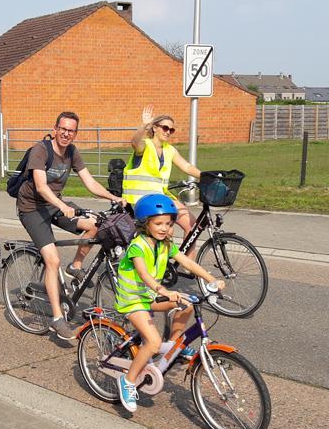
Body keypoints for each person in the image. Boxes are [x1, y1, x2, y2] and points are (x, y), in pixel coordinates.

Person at [16, 111, 124, 340]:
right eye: (63, 129)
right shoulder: (41, 150)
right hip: (32, 208)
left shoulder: (72, 152)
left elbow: (89, 182)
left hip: (55, 204)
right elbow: (41, 186)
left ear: (76, 133)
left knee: (96, 224)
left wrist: (112, 198)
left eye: (71, 130)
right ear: (55, 129)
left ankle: (75, 265)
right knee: (52, 259)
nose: (66, 134)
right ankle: (57, 318)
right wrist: (62, 206)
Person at [114, 194, 224, 413]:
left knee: (188, 304)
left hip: (150, 296)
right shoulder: (138, 246)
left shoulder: (166, 245)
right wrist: (163, 290)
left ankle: (175, 347)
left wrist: (211, 279)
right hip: (133, 299)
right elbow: (144, 275)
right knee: (153, 342)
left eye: (168, 223)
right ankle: (127, 382)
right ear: (145, 224)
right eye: (158, 223)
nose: (164, 228)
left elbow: (187, 263)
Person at [124, 105, 202, 255]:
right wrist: (143, 125)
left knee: (192, 225)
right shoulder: (145, 145)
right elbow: (134, 143)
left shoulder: (169, 150)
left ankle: (189, 267)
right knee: (167, 231)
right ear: (154, 128)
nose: (168, 132)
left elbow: (186, 166)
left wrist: (206, 176)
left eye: (171, 130)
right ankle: (159, 267)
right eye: (165, 128)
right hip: (140, 200)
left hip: (161, 198)